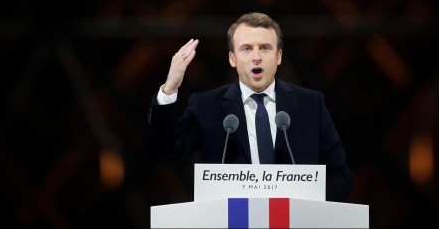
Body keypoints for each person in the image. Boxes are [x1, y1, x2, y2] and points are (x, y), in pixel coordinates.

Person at [146, 12, 353, 202]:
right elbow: (164, 152)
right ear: (232, 58)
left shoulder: (310, 104)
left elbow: (339, 175)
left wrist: (307, 206)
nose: (256, 56)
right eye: (247, 48)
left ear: (278, 56)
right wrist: (169, 90)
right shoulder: (206, 106)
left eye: (265, 47)